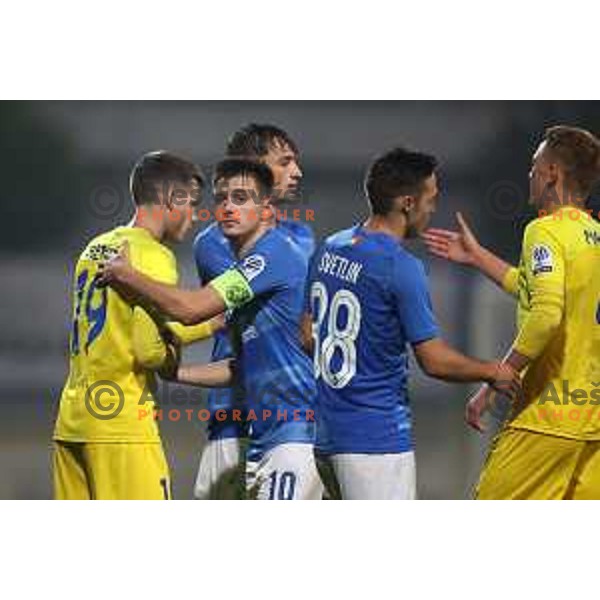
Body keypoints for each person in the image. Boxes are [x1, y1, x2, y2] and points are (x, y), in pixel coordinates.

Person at [301, 147, 519, 500]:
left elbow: (307, 335)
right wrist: (492, 370)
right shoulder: (400, 267)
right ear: (407, 202)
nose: (433, 208)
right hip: (376, 442)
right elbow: (433, 360)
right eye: (430, 199)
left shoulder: (330, 247)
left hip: (326, 438)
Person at [98, 158, 323, 500]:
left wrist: (129, 276)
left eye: (242, 198)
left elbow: (190, 310)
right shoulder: (247, 270)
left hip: (295, 436)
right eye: (222, 199)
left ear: (266, 210)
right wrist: (177, 372)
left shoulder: (271, 256)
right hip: (264, 437)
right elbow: (242, 367)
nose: (228, 208)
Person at [423, 126, 600, 499]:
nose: (530, 174)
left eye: (535, 166)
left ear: (552, 173)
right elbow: (533, 286)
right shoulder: (593, 237)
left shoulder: (545, 231)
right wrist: (477, 256)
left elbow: (547, 312)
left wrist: (501, 374)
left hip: (546, 417)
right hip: (592, 427)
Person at [53, 151, 216, 499]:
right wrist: (177, 352)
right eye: (192, 203)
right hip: (122, 426)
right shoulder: (153, 255)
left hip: (72, 422)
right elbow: (148, 352)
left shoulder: (95, 248)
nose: (195, 215)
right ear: (173, 199)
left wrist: (209, 324)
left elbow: (123, 326)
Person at [192, 123, 314, 499]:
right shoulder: (215, 242)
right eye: (285, 162)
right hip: (235, 414)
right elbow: (210, 309)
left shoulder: (303, 236)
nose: (297, 172)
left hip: (294, 417)